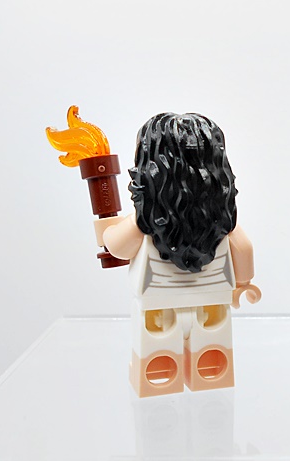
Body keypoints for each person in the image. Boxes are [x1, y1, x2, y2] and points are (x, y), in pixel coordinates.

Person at [103, 112, 261, 397]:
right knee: (212, 355)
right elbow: (245, 248)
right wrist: (243, 284)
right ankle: (211, 380)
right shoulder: (223, 222)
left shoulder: (146, 221)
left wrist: (106, 230)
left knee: (157, 356)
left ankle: (161, 385)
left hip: (158, 303)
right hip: (213, 301)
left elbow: (116, 246)